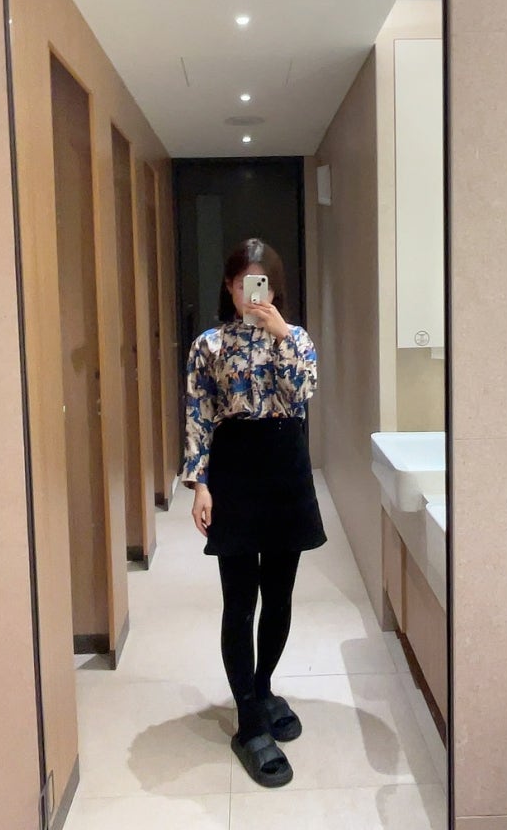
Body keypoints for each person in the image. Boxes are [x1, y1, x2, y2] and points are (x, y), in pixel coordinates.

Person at [182, 237, 327, 788]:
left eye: (260, 282)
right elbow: (198, 414)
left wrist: (281, 334)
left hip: (286, 469)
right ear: (228, 286)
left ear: (275, 287)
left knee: (281, 594)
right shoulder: (208, 345)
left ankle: (261, 687)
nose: (251, 292)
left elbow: (303, 391)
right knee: (240, 599)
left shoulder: (297, 339)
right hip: (236, 472)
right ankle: (248, 720)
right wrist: (200, 484)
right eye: (242, 282)